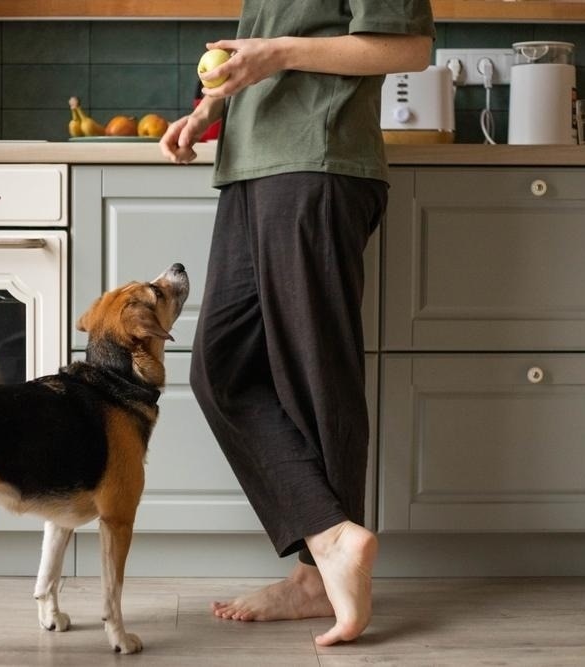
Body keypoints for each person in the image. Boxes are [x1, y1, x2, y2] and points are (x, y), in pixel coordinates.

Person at [159, 0, 435, 647]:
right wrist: (210, 110)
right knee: (220, 372)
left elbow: (407, 48)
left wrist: (276, 53)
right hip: (251, 170)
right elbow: (264, 54)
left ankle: (325, 567)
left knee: (315, 373)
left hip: (318, 164)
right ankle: (327, 541)